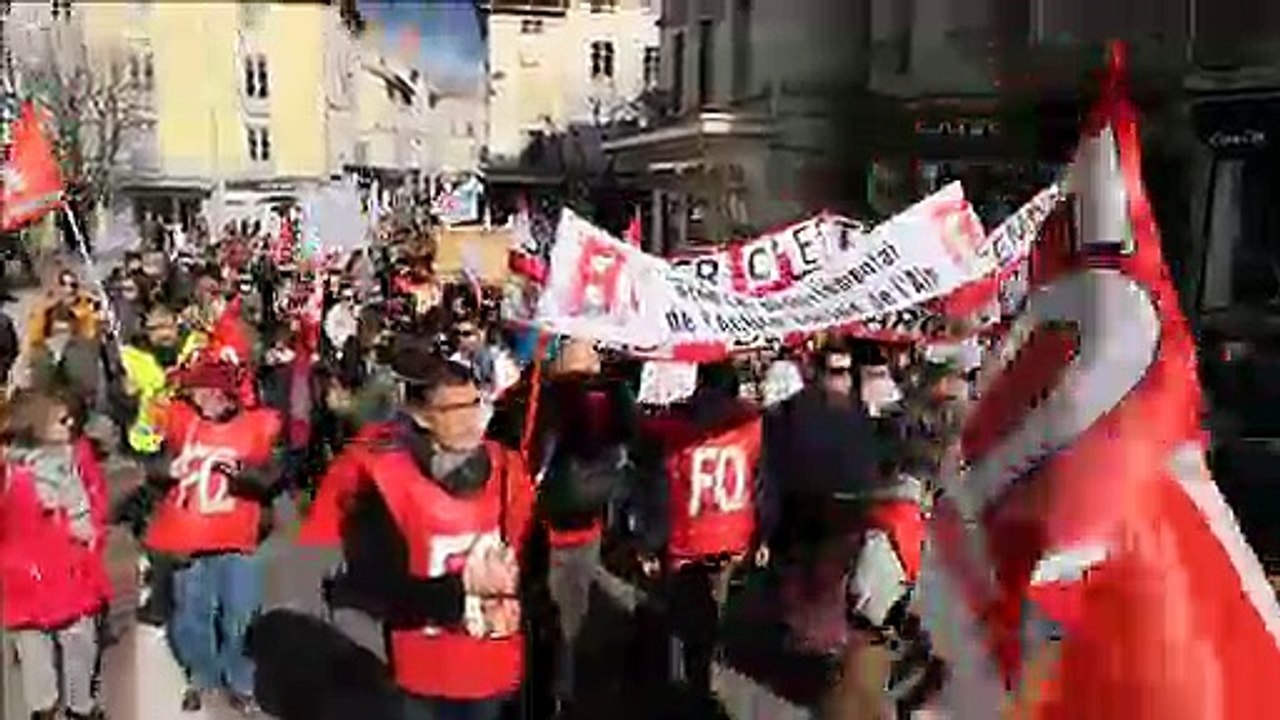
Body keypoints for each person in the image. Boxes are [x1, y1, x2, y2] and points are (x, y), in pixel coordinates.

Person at [323, 346, 535, 720]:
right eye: (453, 410)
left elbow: (528, 555)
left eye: (475, 404)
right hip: (427, 671)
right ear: (421, 415)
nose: (471, 419)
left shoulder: (507, 468)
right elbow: (375, 587)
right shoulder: (385, 480)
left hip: (491, 664)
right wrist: (459, 592)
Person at [141, 360, 284, 715]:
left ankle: (240, 679)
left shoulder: (258, 426)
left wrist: (248, 477)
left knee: (241, 613)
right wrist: (164, 469)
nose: (205, 400)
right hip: (188, 537)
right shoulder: (179, 420)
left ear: (231, 395)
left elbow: (276, 473)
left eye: (213, 392)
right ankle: (202, 676)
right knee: (193, 613)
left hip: (239, 536)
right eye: (198, 392)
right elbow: (149, 459)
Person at [635, 360, 773, 704]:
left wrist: (649, 543)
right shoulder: (751, 425)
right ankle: (704, 673)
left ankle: (681, 680)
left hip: (688, 539)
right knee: (715, 605)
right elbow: (763, 484)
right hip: (732, 534)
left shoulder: (676, 429)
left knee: (679, 612)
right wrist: (764, 533)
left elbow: (661, 490)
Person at [1, 390, 112, 720]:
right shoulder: (12, 472)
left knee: (78, 641)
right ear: (36, 425)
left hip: (65, 568)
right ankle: (47, 706)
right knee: (40, 646)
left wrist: (92, 534)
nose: (70, 424)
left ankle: (75, 705)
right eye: (60, 420)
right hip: (30, 572)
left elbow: (90, 502)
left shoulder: (70, 458)